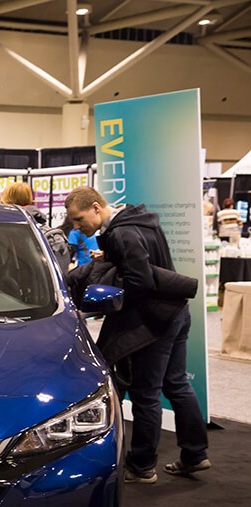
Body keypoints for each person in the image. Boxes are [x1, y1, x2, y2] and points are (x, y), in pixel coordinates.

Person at [65, 186, 210, 484]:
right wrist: (111, 256)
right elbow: (144, 262)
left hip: (153, 321)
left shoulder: (121, 233)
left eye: (79, 219)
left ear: (95, 207)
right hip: (176, 312)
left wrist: (110, 301)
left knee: (146, 395)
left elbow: (140, 282)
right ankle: (195, 454)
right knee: (177, 385)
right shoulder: (139, 220)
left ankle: (142, 466)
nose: (78, 227)